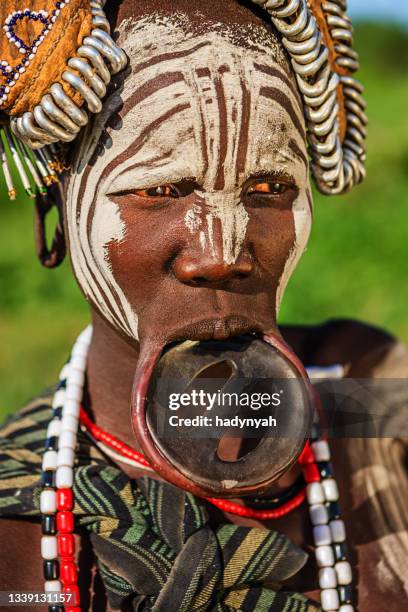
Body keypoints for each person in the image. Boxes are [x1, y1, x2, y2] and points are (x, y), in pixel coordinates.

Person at [0, 1, 407, 611]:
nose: (222, 253)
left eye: (269, 188)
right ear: (53, 217)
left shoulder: (378, 400)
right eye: (158, 190)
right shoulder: (15, 539)